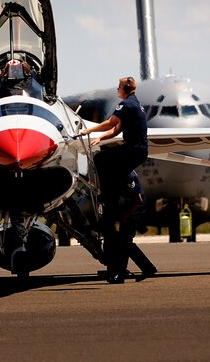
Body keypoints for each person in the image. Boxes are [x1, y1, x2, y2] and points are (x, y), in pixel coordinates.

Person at [80, 76, 149, 283]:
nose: (117, 90)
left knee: (101, 158)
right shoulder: (135, 104)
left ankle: (107, 197)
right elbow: (116, 129)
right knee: (119, 239)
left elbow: (110, 123)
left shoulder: (125, 104)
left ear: (122, 89)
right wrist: (101, 138)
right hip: (137, 150)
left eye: (118, 88)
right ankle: (120, 271)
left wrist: (87, 131)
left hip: (134, 150)